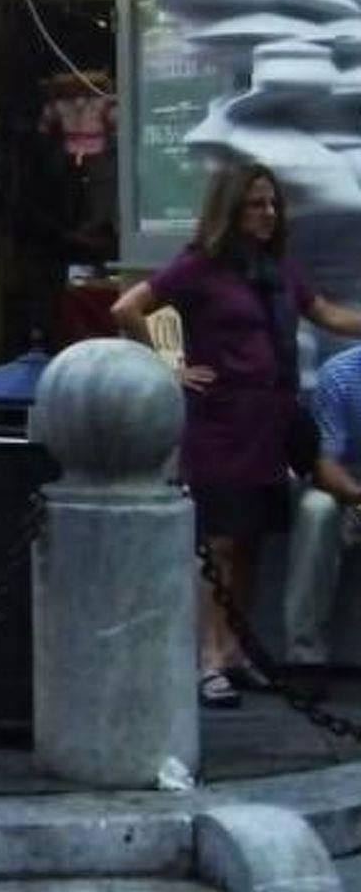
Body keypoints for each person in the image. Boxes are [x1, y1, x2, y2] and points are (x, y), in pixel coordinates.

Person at [113, 161, 361, 708]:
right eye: (255, 204)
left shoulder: (279, 270)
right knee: (220, 546)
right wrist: (171, 367)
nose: (267, 213)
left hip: (270, 424)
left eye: (272, 204)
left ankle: (235, 653)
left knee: (250, 543)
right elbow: (128, 307)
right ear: (230, 208)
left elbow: (326, 313)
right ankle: (209, 661)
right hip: (220, 426)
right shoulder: (199, 267)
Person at [283, 344, 361, 672]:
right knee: (316, 509)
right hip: (349, 487)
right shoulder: (341, 373)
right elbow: (326, 465)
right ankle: (305, 653)